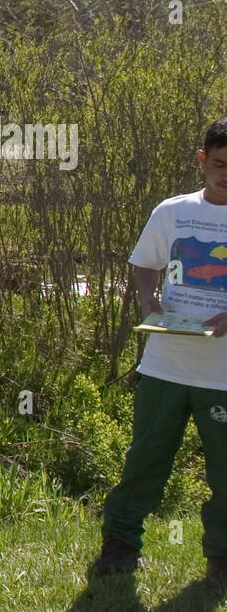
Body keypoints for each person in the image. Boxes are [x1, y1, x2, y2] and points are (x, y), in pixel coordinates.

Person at [94, 118, 227, 586]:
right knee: (145, 460)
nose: (225, 174)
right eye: (218, 164)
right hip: (165, 365)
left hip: (222, 377)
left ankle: (221, 560)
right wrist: (148, 301)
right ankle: (120, 545)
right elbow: (145, 265)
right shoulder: (171, 211)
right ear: (202, 160)